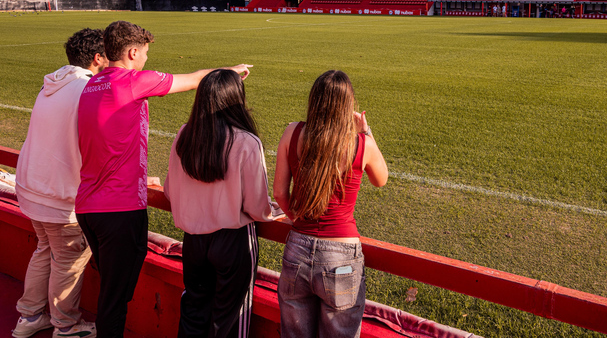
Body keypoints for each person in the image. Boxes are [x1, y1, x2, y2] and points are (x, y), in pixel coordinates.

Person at [75, 20, 252, 338]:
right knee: (115, 299)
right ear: (132, 52)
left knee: (111, 291)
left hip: (89, 206)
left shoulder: (92, 84)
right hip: (119, 210)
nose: (146, 59)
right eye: (144, 53)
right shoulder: (133, 81)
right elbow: (196, 80)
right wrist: (231, 71)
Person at [164, 69, 284, 338]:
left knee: (193, 313)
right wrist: (274, 210)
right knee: (230, 322)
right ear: (237, 100)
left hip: (193, 241)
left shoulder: (184, 134)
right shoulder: (246, 141)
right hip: (233, 242)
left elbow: (170, 191)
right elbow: (257, 207)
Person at [273, 70, 388, 338]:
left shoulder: (292, 132)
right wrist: (366, 131)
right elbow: (381, 179)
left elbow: (279, 192)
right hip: (342, 255)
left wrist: (296, 218)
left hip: (297, 249)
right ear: (349, 105)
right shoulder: (362, 144)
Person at [13, 28, 107, 338]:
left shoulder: (52, 84)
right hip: (60, 196)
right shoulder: (88, 89)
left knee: (45, 250)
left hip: (33, 188)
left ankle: (30, 317)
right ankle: (65, 326)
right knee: (68, 260)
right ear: (98, 58)